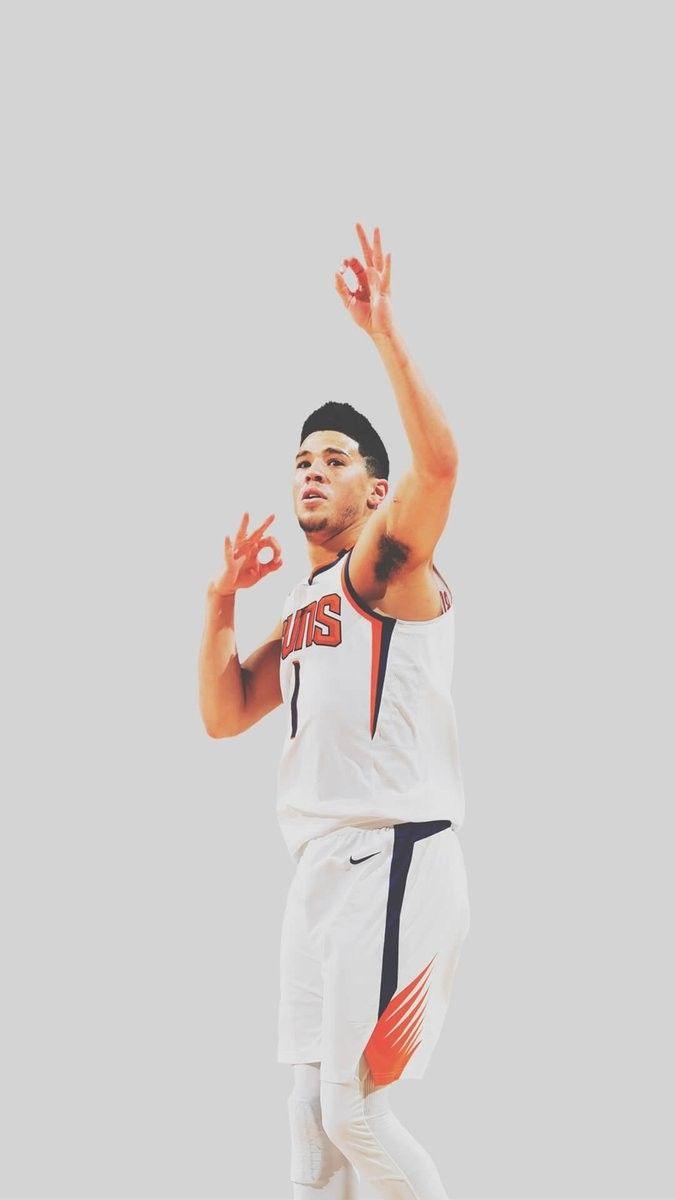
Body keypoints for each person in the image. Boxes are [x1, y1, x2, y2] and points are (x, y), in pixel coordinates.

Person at [198, 223, 470, 1199]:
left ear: (375, 489)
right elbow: (225, 714)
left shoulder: (383, 571)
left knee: (355, 1112)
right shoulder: (306, 605)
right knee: (310, 1117)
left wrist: (384, 333)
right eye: (301, 459)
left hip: (393, 854)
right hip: (319, 866)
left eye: (335, 458)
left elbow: (441, 468)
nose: (310, 470)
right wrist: (221, 601)